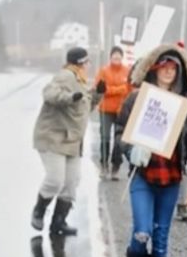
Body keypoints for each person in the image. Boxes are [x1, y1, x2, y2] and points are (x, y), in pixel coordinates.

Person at [116, 44, 187, 257]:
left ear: (179, 72)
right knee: (141, 232)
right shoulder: (137, 99)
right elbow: (120, 132)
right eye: (164, 67)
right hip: (143, 177)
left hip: (171, 178)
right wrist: (130, 149)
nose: (168, 72)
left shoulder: (186, 104)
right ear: (154, 69)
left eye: (173, 69)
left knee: (160, 238)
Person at [31, 47, 97, 238]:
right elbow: (49, 94)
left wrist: (98, 95)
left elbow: (84, 109)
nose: (89, 66)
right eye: (87, 62)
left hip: (72, 140)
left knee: (71, 182)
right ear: (79, 63)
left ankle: (58, 223)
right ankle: (39, 211)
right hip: (54, 137)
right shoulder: (65, 76)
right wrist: (68, 97)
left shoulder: (81, 81)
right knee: (55, 180)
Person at [92, 46, 132, 180]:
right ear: (110, 58)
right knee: (104, 137)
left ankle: (116, 165)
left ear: (122, 58)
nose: (117, 59)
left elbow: (130, 89)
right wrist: (119, 89)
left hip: (121, 110)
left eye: (119, 57)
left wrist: (115, 90)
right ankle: (104, 165)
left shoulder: (127, 71)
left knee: (119, 139)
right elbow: (100, 89)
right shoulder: (103, 71)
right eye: (114, 57)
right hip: (106, 109)